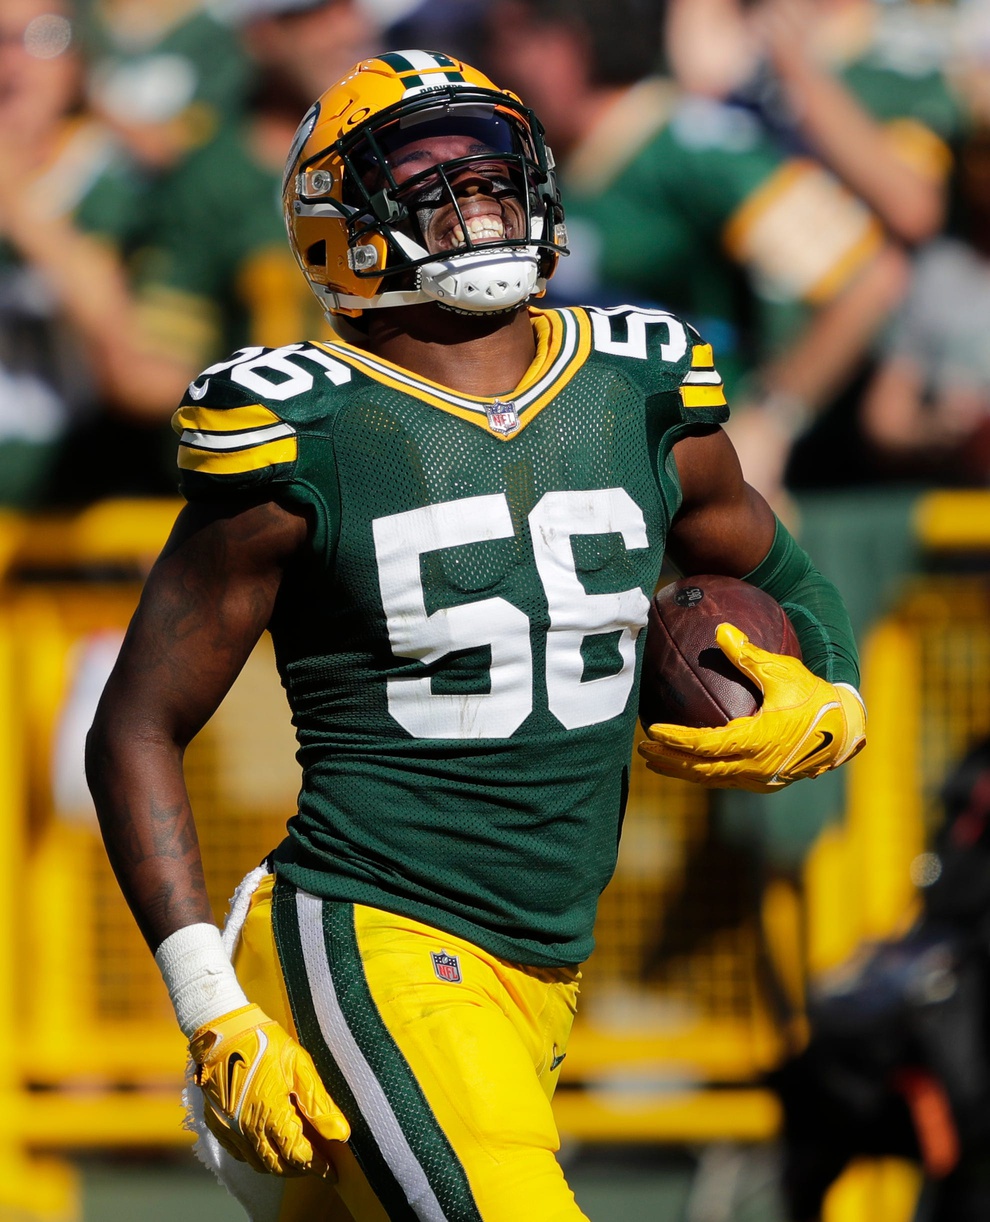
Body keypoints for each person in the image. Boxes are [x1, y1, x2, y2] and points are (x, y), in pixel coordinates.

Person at [85, 50, 868, 1221]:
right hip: (370, 940)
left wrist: (837, 696)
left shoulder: (637, 386)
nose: (477, 197)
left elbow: (777, 567)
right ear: (336, 222)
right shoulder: (302, 428)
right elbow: (138, 722)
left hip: (544, 964)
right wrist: (210, 1007)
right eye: (430, 175)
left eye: (492, 168)